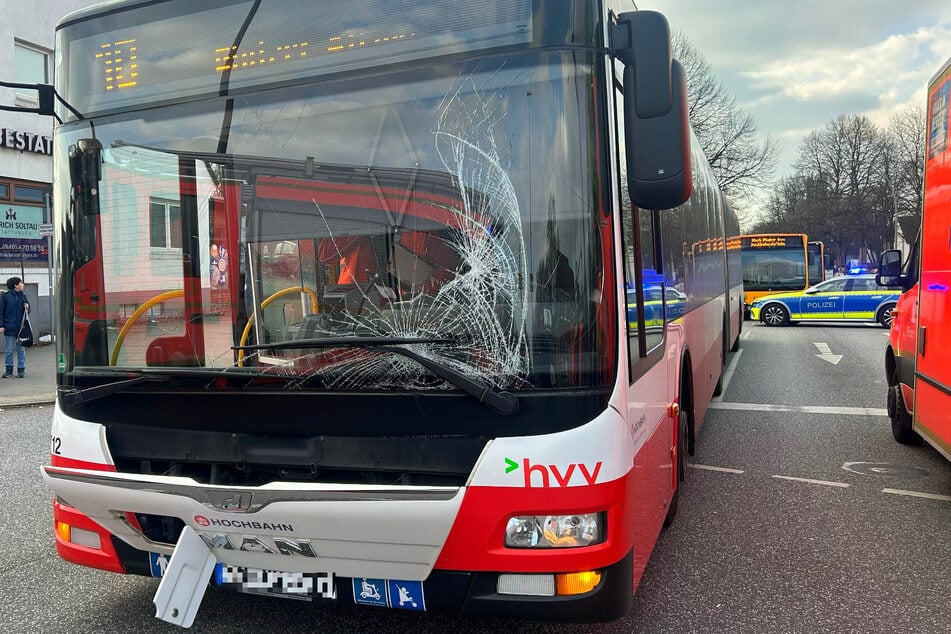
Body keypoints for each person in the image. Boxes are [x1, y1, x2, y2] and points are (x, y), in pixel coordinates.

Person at [0, 277, 30, 378]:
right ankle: (9, 370)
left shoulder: (23, 296)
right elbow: (1, 312)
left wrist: (27, 307)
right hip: (9, 326)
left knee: (21, 349)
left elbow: (28, 312)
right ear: (15, 285)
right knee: (9, 349)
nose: (22, 284)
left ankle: (21, 370)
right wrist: (1, 325)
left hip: (21, 327)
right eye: (21, 283)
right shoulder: (5, 297)